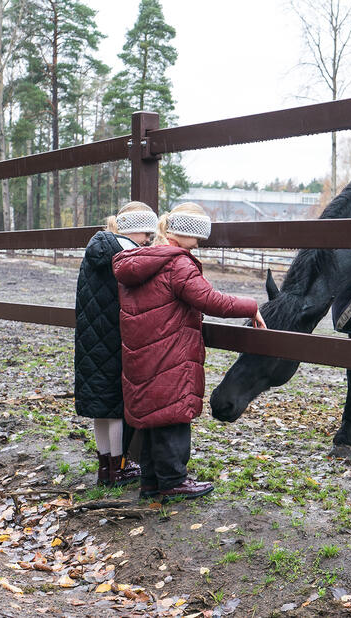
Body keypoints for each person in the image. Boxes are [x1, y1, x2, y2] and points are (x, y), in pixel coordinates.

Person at [112, 202, 266, 502]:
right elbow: (210, 300)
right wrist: (251, 305)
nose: (199, 243)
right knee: (172, 416)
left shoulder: (138, 260)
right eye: (195, 236)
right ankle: (173, 482)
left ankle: (151, 482)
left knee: (154, 417)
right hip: (170, 354)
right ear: (179, 235)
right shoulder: (177, 263)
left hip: (143, 355)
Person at [74, 201, 158, 487]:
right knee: (116, 406)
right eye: (147, 233)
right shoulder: (127, 254)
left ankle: (104, 468)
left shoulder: (95, 248)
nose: (149, 239)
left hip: (89, 338)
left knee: (100, 406)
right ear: (136, 230)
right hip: (116, 337)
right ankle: (120, 467)